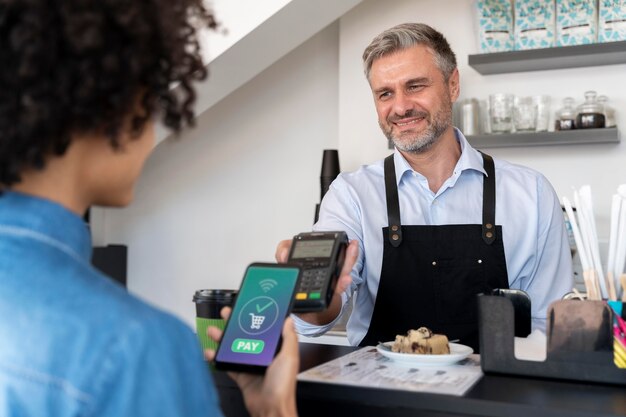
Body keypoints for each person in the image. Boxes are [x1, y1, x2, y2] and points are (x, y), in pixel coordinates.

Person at [0, 1, 309, 416]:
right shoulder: (137, 348)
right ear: (107, 105)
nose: (150, 133)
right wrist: (276, 410)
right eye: (150, 101)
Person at [276, 23, 573, 351]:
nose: (400, 107)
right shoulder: (352, 195)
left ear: (453, 84)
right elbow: (315, 322)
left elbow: (549, 322)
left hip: (495, 394)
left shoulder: (531, 194)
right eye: (385, 93)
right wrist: (317, 296)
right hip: (380, 394)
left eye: (415, 86)